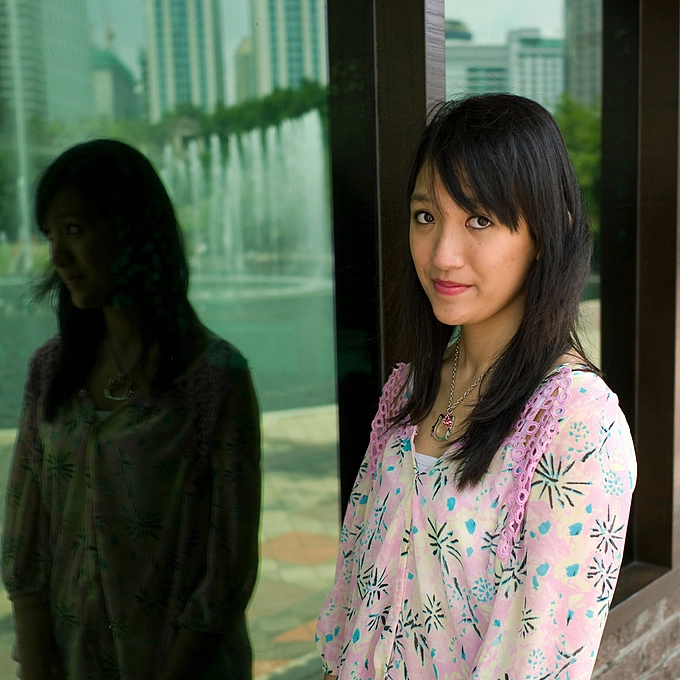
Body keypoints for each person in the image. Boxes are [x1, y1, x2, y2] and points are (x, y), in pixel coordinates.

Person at [316, 93, 636, 679]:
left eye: (480, 220)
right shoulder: (408, 391)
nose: (443, 254)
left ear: (547, 233)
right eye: (426, 216)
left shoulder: (576, 427)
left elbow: (540, 663)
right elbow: (352, 604)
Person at [2, 139, 261, 680]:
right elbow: (26, 536)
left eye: (75, 229)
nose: (59, 257)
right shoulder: (50, 371)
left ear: (133, 229)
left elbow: (227, 567)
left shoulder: (214, 379)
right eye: (51, 235)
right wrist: (38, 661)